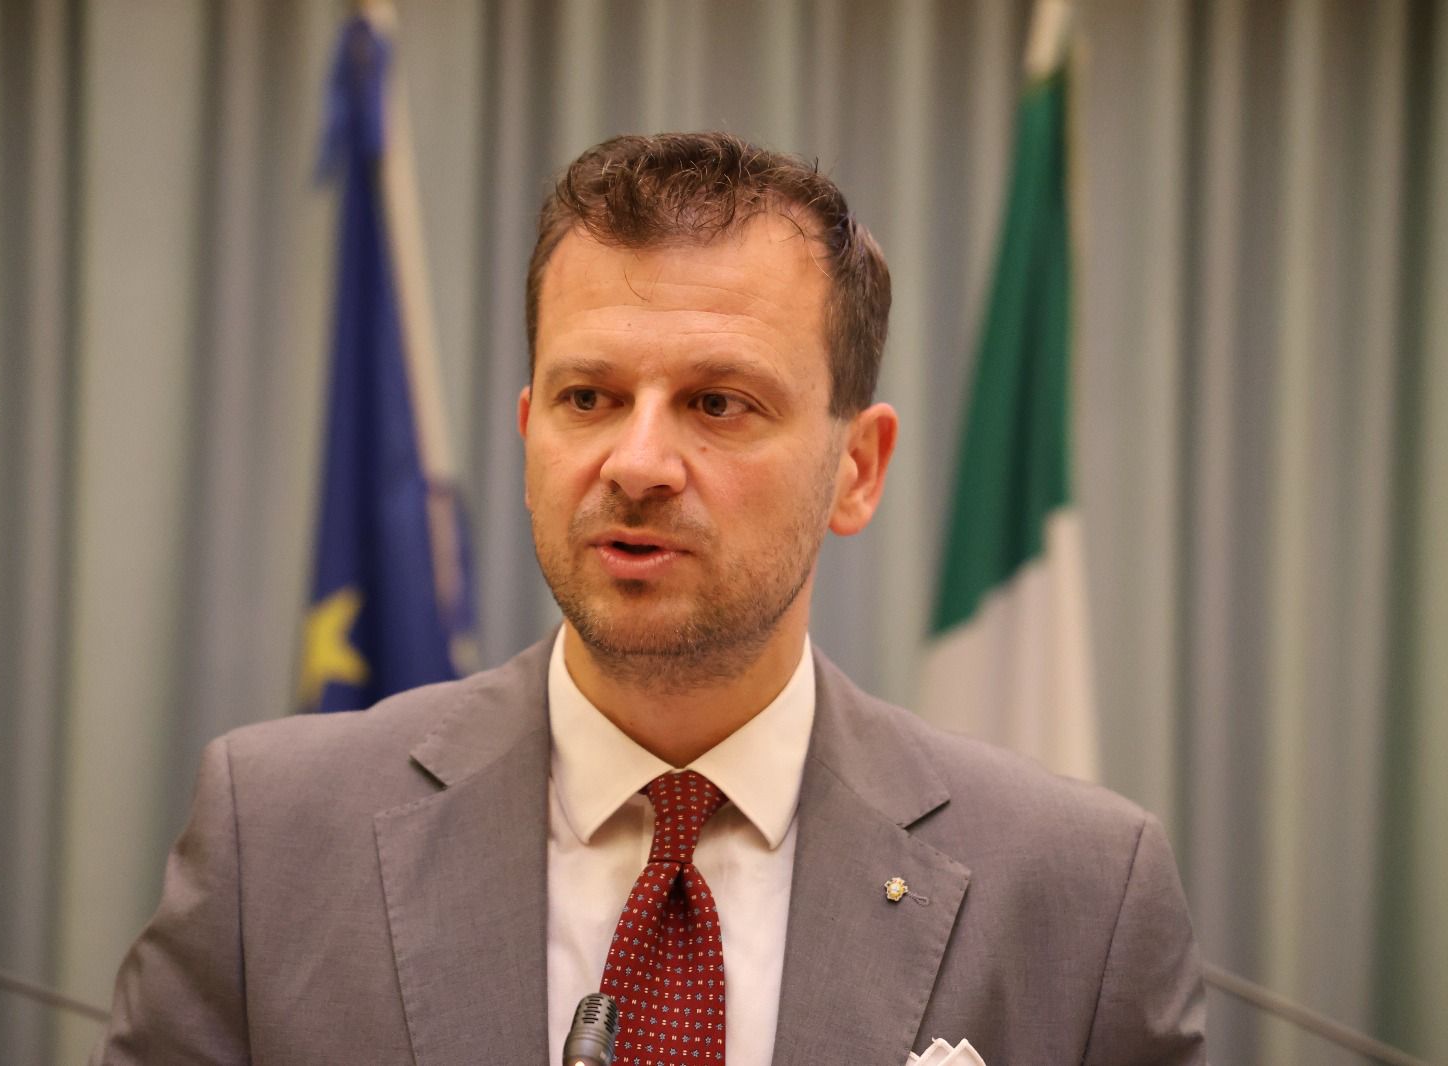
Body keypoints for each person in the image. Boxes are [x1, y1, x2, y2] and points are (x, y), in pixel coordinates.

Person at [91, 132, 1205, 1066]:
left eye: (718, 403)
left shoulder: (1077, 892)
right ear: (529, 433)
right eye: (589, 397)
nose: (636, 463)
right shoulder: (274, 841)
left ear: (858, 470)